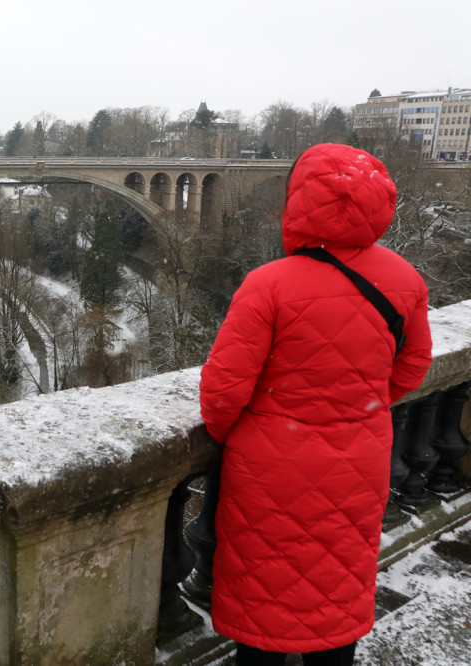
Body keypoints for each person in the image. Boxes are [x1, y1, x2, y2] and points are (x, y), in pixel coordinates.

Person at [199, 143, 433, 665]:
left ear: (299, 202)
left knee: (263, 596)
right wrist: (356, 407)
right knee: (336, 586)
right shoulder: (405, 280)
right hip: (359, 459)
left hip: (270, 466)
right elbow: (412, 370)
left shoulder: (268, 285)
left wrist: (241, 434)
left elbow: (223, 390)